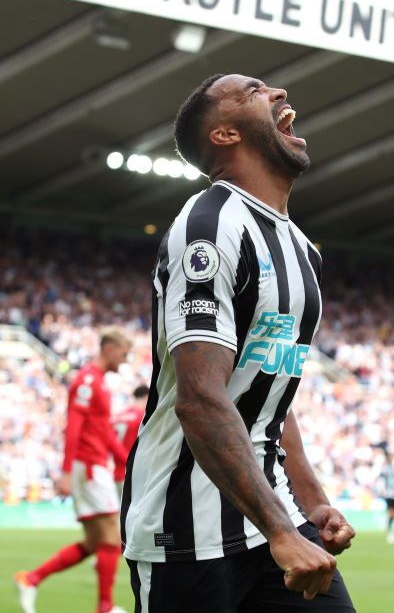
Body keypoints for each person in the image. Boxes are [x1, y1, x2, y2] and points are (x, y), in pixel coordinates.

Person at [121, 74, 356, 612]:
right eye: (254, 91)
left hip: (270, 517)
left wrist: (311, 504)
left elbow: (271, 385)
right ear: (225, 135)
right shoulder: (209, 227)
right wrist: (282, 530)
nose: (278, 93)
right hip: (187, 533)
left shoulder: (301, 248)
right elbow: (200, 398)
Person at [16, 329, 132, 613]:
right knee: (112, 539)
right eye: (123, 354)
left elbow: (103, 431)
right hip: (88, 468)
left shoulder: (100, 383)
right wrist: (67, 471)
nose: (124, 360)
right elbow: (74, 426)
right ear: (108, 348)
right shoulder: (87, 381)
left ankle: (31, 579)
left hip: (95, 465)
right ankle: (104, 606)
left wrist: (125, 460)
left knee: (95, 542)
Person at [112, 385, 150, 496]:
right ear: (146, 397)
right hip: (135, 473)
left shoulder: (118, 416)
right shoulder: (142, 417)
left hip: (117, 472)